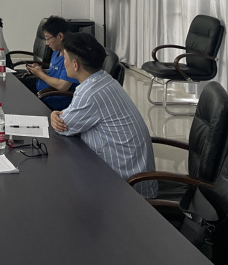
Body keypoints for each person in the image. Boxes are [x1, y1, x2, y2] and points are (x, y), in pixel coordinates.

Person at [50, 33, 157, 198]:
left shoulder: (91, 93)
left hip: (126, 188)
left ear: (75, 65)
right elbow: (71, 117)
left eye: (64, 58)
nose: (63, 63)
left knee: (59, 185)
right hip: (126, 173)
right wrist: (57, 116)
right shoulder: (103, 79)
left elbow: (63, 127)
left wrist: (54, 115)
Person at [20, 16, 78, 110]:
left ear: (60, 36)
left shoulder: (70, 57)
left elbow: (62, 86)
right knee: (14, 84)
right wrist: (39, 70)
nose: (47, 43)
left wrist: (40, 74)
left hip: (48, 97)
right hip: (40, 87)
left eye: (48, 39)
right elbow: (55, 71)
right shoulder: (56, 52)